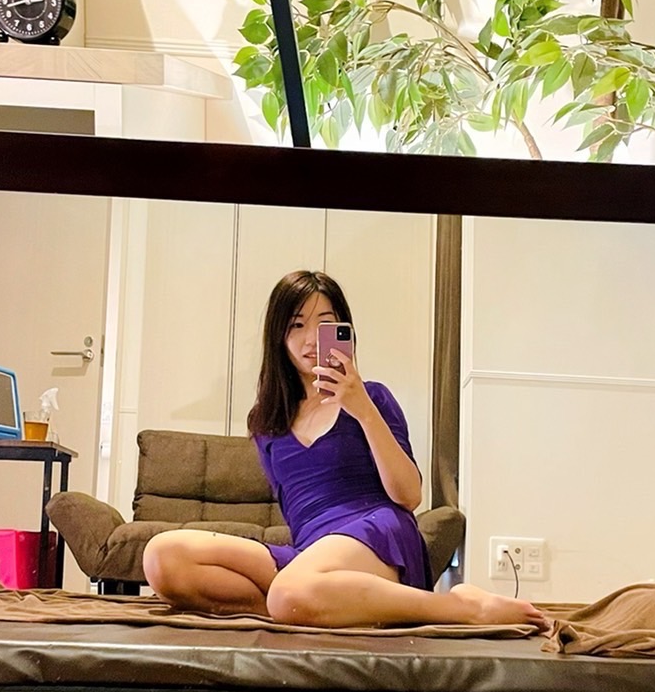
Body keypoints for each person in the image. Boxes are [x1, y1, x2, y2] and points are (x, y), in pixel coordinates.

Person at [143, 270, 547, 630]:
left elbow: (409, 496)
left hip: (377, 533)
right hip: (312, 554)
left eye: (324, 324)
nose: (310, 339)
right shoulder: (266, 424)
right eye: (296, 325)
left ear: (344, 332)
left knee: (288, 592)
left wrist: (362, 409)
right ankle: (315, 603)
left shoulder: (374, 398)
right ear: (279, 337)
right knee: (163, 556)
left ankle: (457, 607)